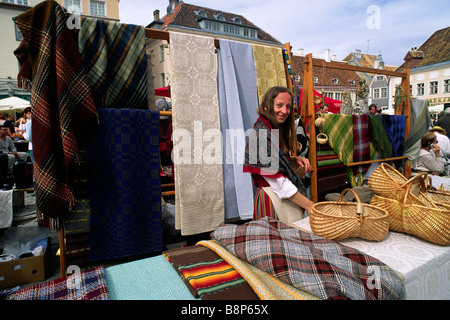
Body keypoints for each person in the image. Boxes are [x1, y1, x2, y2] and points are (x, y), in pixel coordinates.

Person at [244, 86, 314, 223]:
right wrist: (310, 205)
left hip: (278, 198)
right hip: (274, 201)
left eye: (288, 107)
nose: (285, 111)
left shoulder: (270, 128)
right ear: (266, 106)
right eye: (279, 105)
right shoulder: (261, 136)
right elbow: (279, 184)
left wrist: (292, 159)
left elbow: (274, 161)